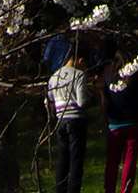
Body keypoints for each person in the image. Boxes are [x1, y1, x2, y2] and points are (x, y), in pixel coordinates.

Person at [101, 42, 138, 193]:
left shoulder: (110, 80)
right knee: (130, 158)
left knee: (112, 161)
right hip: (134, 122)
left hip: (115, 124)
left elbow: (106, 100)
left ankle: (109, 189)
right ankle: (126, 188)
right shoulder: (136, 80)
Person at [48, 46, 90, 193]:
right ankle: (73, 190)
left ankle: (60, 189)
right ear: (80, 60)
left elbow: (49, 100)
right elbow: (81, 102)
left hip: (60, 120)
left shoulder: (54, 77)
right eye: (85, 65)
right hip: (76, 120)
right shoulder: (79, 75)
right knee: (76, 159)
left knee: (63, 159)